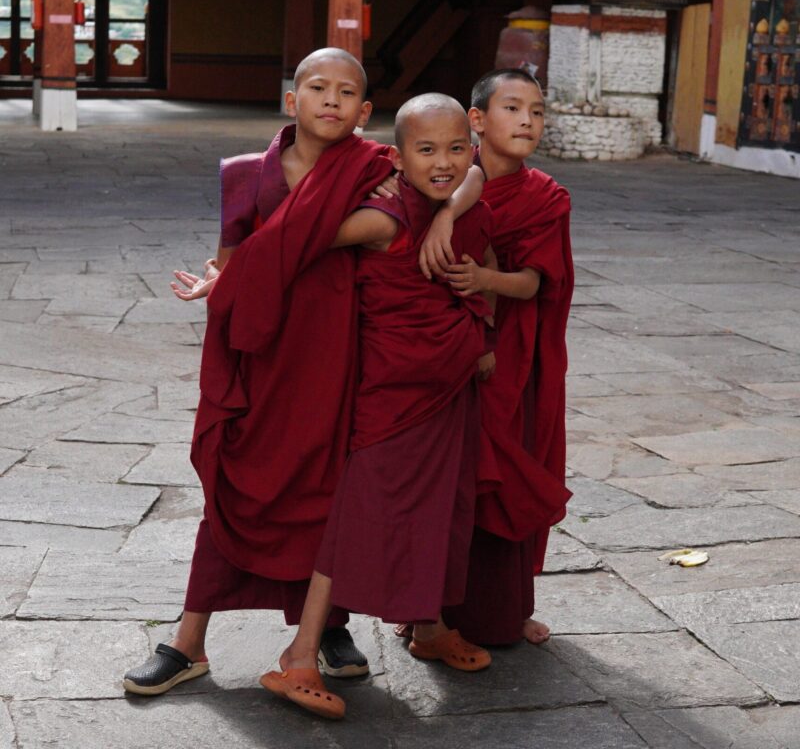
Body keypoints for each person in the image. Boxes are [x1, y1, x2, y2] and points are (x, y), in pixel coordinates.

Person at [123, 50, 478, 696]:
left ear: (366, 113)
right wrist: (217, 280)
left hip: (340, 353)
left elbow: (463, 173)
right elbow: (237, 258)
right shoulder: (243, 174)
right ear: (294, 100)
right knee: (236, 488)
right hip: (264, 353)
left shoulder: (377, 167)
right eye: (319, 87)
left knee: (325, 491)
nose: (332, 100)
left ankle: (326, 630)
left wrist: (449, 212)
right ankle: (187, 641)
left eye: (348, 92)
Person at [259, 94, 496, 720]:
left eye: (454, 149)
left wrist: (447, 216)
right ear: (396, 156)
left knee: (443, 504)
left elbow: (474, 177)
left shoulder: (451, 194)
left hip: (446, 384)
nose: (443, 162)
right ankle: (300, 656)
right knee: (357, 517)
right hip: (392, 393)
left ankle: (428, 627)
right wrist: (229, 272)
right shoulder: (380, 218)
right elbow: (293, 243)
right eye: (425, 150)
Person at [405, 68, 574, 647]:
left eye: (537, 110)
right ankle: (426, 608)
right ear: (477, 120)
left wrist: (483, 278)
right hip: (440, 358)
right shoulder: (440, 173)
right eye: (512, 108)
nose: (527, 120)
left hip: (511, 361)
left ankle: (507, 606)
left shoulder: (545, 196)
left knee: (502, 477)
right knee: (444, 481)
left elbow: (535, 283)